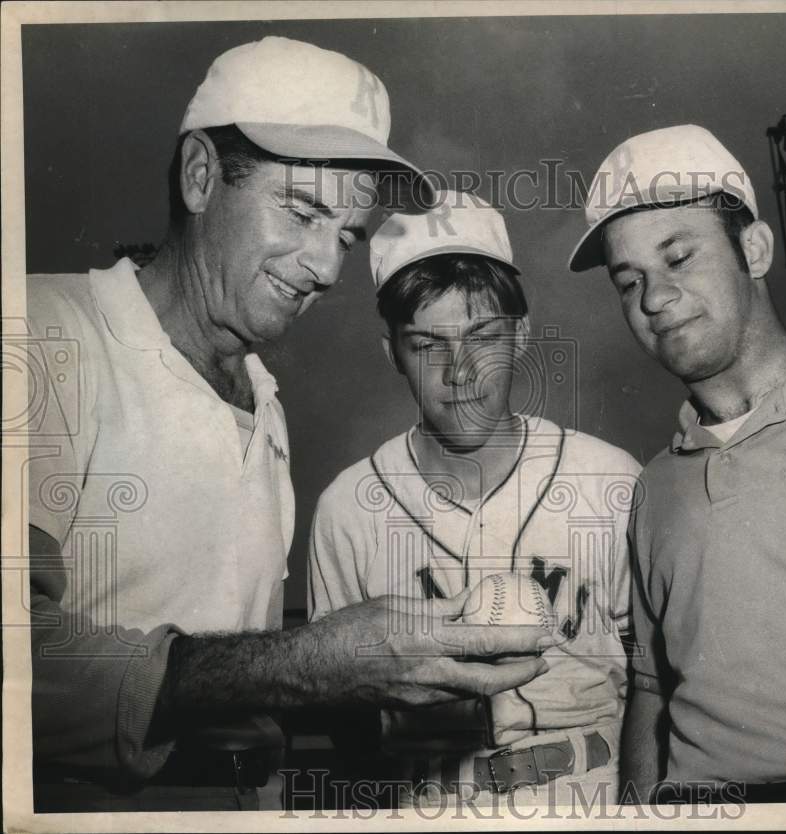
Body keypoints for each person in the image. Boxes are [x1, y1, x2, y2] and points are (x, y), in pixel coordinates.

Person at [25, 38, 552, 812]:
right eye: (303, 211)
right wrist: (310, 662)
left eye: (346, 236)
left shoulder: (262, 399)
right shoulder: (43, 333)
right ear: (201, 175)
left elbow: (248, 668)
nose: (328, 267)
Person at [568, 125, 786, 804]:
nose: (654, 298)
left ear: (754, 249)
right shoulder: (654, 487)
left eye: (679, 257)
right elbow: (651, 690)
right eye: (629, 281)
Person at [308, 190, 641, 808]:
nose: (459, 371)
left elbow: (655, 679)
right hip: (426, 801)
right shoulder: (349, 508)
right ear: (392, 355)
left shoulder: (609, 481)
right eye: (429, 344)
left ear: (521, 337)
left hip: (591, 792)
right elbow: (342, 712)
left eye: (483, 337)